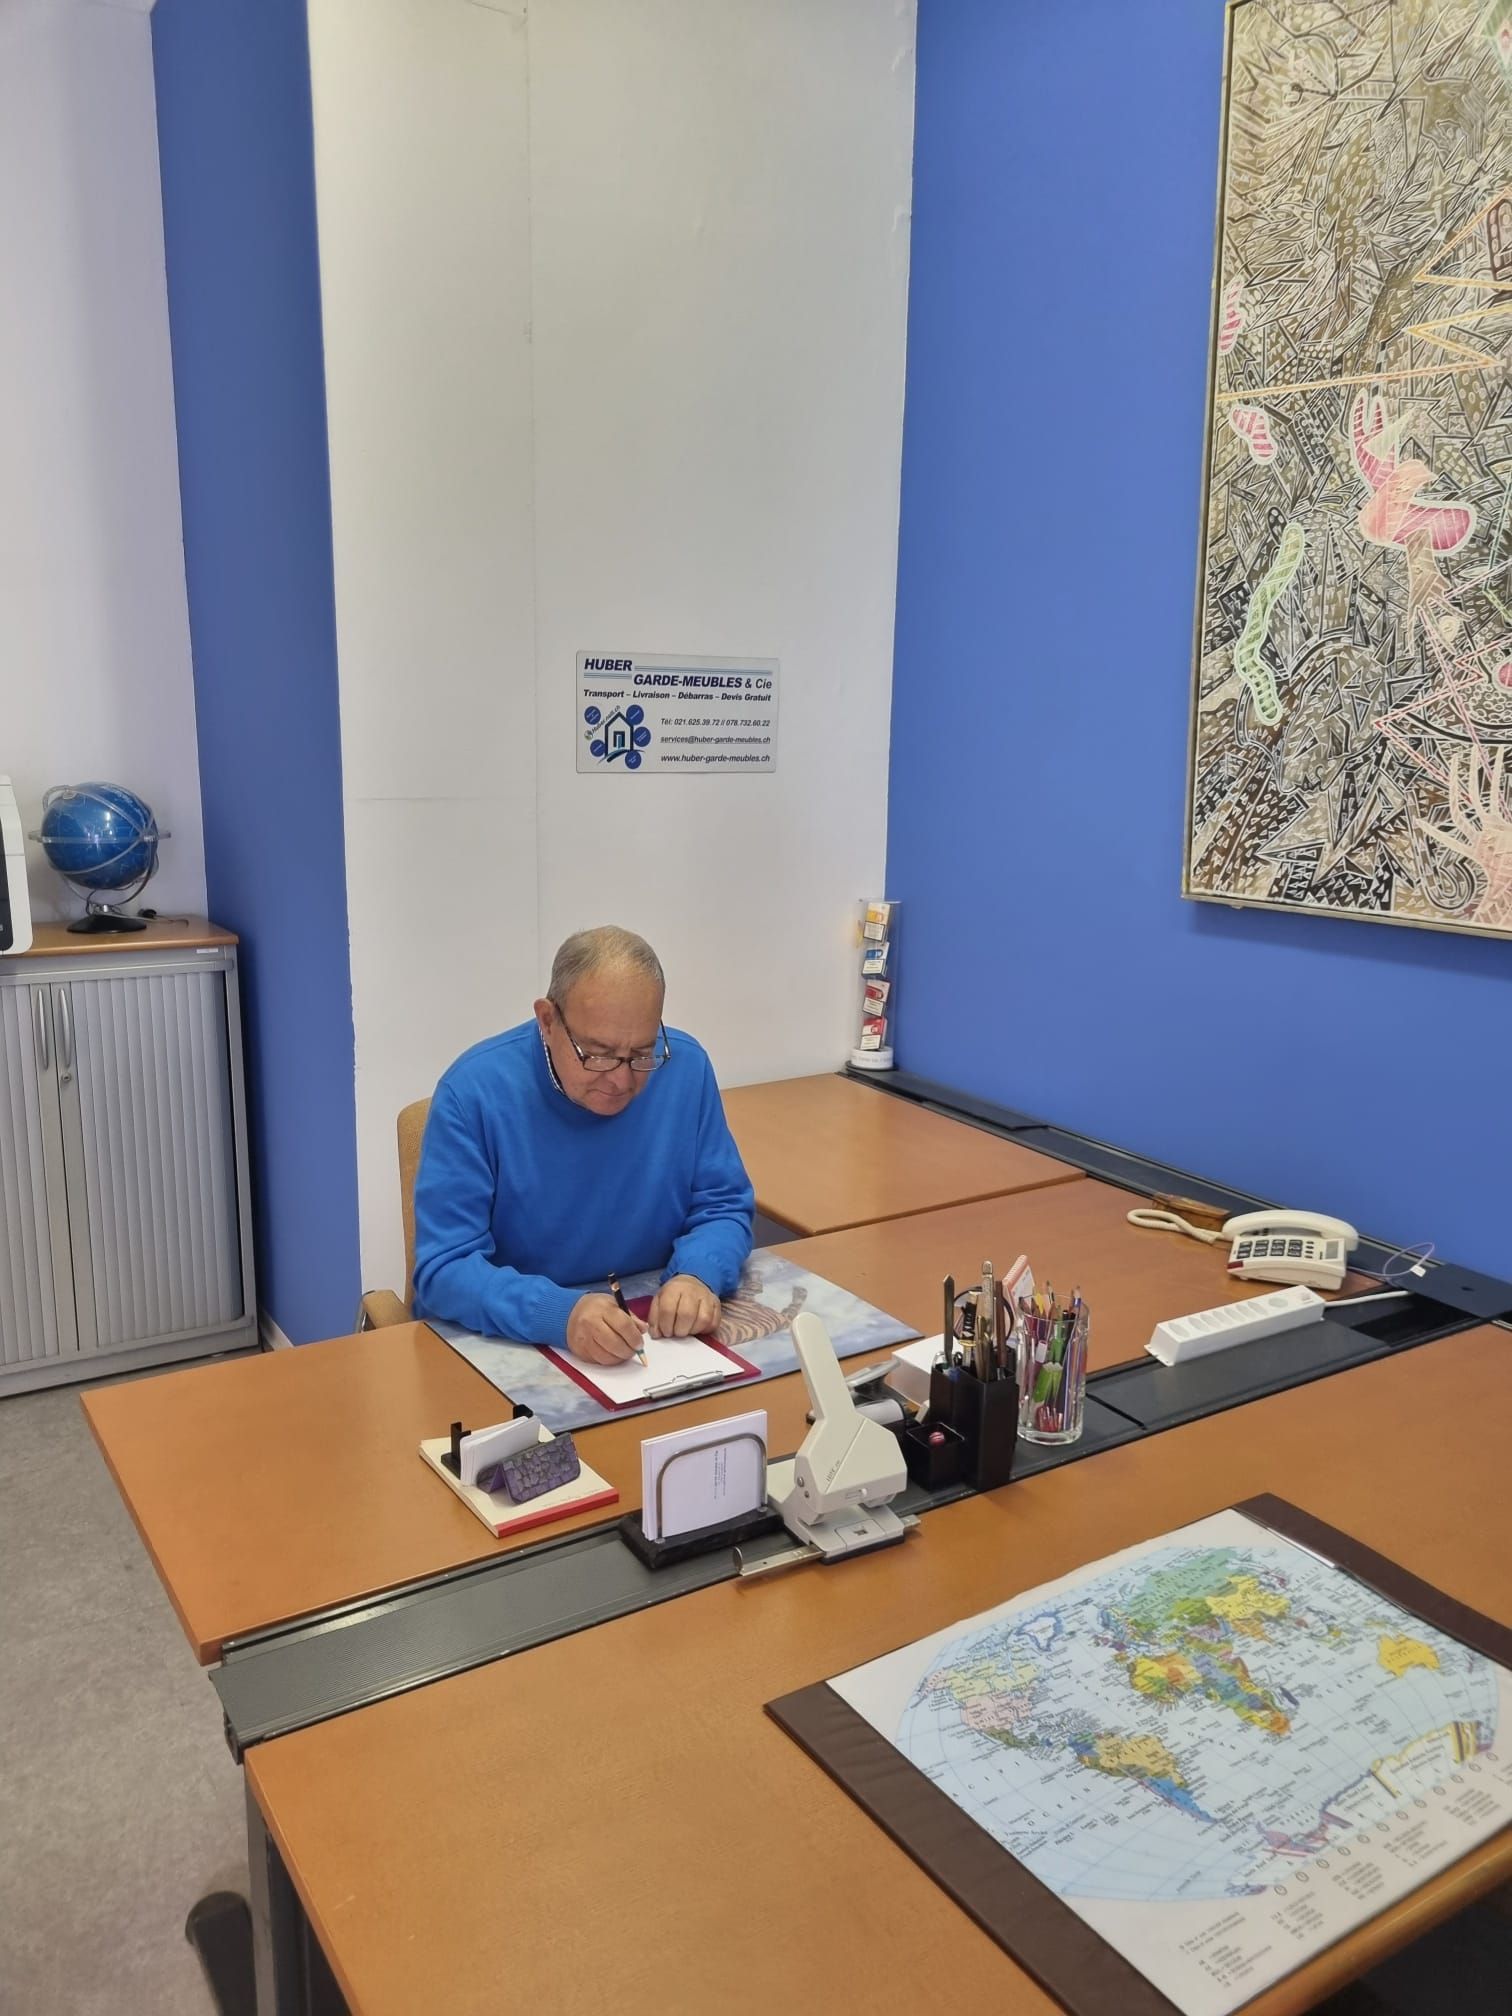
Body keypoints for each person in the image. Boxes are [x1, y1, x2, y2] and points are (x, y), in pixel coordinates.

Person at [412, 927, 754, 1365]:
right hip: (513, 1345)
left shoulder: (686, 1068)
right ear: (548, 1021)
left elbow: (724, 1204)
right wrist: (560, 1314)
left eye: (642, 1054)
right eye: (598, 1053)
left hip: (652, 1342)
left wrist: (698, 1273)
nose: (621, 1079)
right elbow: (445, 1269)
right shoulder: (473, 1093)